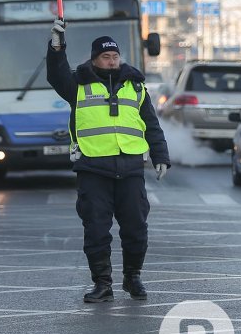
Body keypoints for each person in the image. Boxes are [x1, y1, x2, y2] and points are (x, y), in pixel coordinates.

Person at [46, 19, 170, 303]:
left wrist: (160, 155)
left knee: (136, 229)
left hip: (130, 169)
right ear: (95, 59)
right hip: (93, 168)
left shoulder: (136, 87)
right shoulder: (77, 85)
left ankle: (133, 276)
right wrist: (56, 46)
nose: (112, 61)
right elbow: (56, 74)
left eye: (115, 56)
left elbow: (151, 124)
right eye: (106, 57)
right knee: (97, 230)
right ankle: (103, 284)